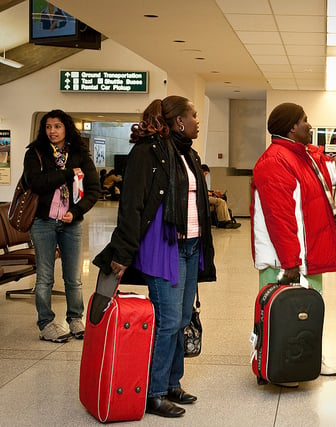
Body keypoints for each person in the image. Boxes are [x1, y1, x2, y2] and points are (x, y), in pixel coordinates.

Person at [93, 95, 216, 418]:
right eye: (193, 115)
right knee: (168, 320)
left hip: (190, 245)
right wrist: (121, 252)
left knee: (183, 319)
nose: (197, 120)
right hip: (162, 248)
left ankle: (173, 382)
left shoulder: (188, 154)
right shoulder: (147, 153)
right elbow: (131, 205)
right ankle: (154, 392)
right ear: (178, 121)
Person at [251, 102, 336, 382]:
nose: (310, 125)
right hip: (286, 259)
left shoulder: (304, 156)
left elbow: (334, 173)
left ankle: (307, 357)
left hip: (306, 252)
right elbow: (279, 217)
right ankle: (273, 361)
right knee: (278, 312)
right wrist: (290, 261)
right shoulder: (274, 161)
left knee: (307, 311)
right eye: (305, 120)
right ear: (291, 127)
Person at [24, 109, 100, 342]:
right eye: (48, 127)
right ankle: (46, 323)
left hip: (71, 223)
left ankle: (75, 319)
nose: (52, 131)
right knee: (45, 277)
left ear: (66, 128)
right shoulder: (35, 153)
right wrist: (66, 173)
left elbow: (94, 190)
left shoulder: (80, 155)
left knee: (73, 277)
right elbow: (36, 183)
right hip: (43, 223)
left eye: (57, 126)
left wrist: (75, 212)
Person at [200, 164, 241, 229]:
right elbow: (202, 191)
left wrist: (213, 192)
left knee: (220, 202)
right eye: (205, 173)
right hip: (202, 198)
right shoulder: (198, 179)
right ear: (201, 171)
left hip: (204, 197)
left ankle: (226, 221)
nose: (205, 175)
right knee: (220, 201)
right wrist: (212, 194)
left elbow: (205, 190)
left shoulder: (200, 179)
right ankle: (224, 221)